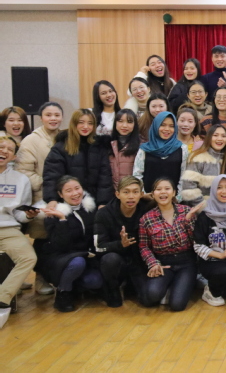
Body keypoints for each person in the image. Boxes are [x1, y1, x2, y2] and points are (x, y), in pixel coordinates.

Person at [138, 178, 203, 311]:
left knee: (177, 305)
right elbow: (144, 246)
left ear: (174, 192)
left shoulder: (186, 211)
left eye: (167, 189)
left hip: (186, 262)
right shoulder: (146, 218)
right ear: (153, 194)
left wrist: (188, 221)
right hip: (164, 263)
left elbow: (197, 241)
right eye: (158, 189)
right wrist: (153, 263)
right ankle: (168, 287)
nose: (163, 192)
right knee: (152, 295)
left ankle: (180, 285)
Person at [39, 176, 101, 312]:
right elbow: (60, 245)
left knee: (95, 281)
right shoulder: (53, 213)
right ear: (60, 194)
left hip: (86, 256)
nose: (75, 193)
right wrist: (62, 219)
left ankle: (75, 287)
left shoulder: (90, 209)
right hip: (62, 257)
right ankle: (63, 292)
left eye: (77, 188)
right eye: (68, 190)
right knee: (77, 262)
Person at [93, 176, 151, 308]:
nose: (131, 196)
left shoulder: (146, 210)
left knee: (148, 300)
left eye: (135, 192)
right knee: (110, 259)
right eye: (126, 192)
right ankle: (112, 288)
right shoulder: (103, 214)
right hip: (116, 260)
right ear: (117, 194)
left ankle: (130, 285)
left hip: (138, 261)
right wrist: (120, 244)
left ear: (141, 194)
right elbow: (98, 247)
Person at [0, 136, 38, 328]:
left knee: (29, 258)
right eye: (1, 147)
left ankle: (2, 298)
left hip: (8, 228)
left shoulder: (21, 180)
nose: (4, 151)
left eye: (9, 149)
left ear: (14, 157)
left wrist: (29, 216)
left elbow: (18, 214)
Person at [43, 109, 113, 208]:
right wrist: (52, 199)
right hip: (68, 202)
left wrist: (103, 202)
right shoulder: (61, 147)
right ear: (74, 123)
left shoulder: (99, 147)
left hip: (94, 201)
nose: (86, 126)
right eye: (81, 122)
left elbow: (104, 178)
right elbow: (52, 176)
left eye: (90, 123)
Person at [194, 174, 226, 306]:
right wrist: (220, 255)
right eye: (219, 187)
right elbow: (198, 246)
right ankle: (211, 291)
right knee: (224, 272)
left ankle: (225, 285)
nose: (224, 191)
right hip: (212, 262)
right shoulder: (205, 216)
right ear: (213, 190)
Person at [16, 101, 63, 205]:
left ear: (62, 118)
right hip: (40, 197)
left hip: (65, 195)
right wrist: (47, 185)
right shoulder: (30, 140)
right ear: (41, 118)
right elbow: (23, 170)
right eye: (48, 115)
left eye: (57, 115)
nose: (53, 118)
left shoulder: (67, 138)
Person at [133, 112, 189, 196]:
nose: (167, 129)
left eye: (171, 126)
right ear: (156, 126)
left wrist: (178, 197)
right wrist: (143, 194)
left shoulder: (182, 149)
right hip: (147, 199)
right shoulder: (144, 149)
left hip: (173, 199)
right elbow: (137, 175)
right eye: (163, 125)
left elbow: (184, 176)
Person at [181, 125, 226, 205]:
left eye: (223, 136)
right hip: (202, 208)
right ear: (209, 137)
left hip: (222, 208)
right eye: (215, 135)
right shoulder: (198, 158)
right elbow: (189, 189)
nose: (220, 139)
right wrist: (206, 208)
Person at [108, 108, 140, 190]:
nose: (124, 125)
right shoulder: (107, 144)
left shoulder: (140, 146)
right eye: (120, 121)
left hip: (132, 192)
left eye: (129, 122)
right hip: (111, 192)